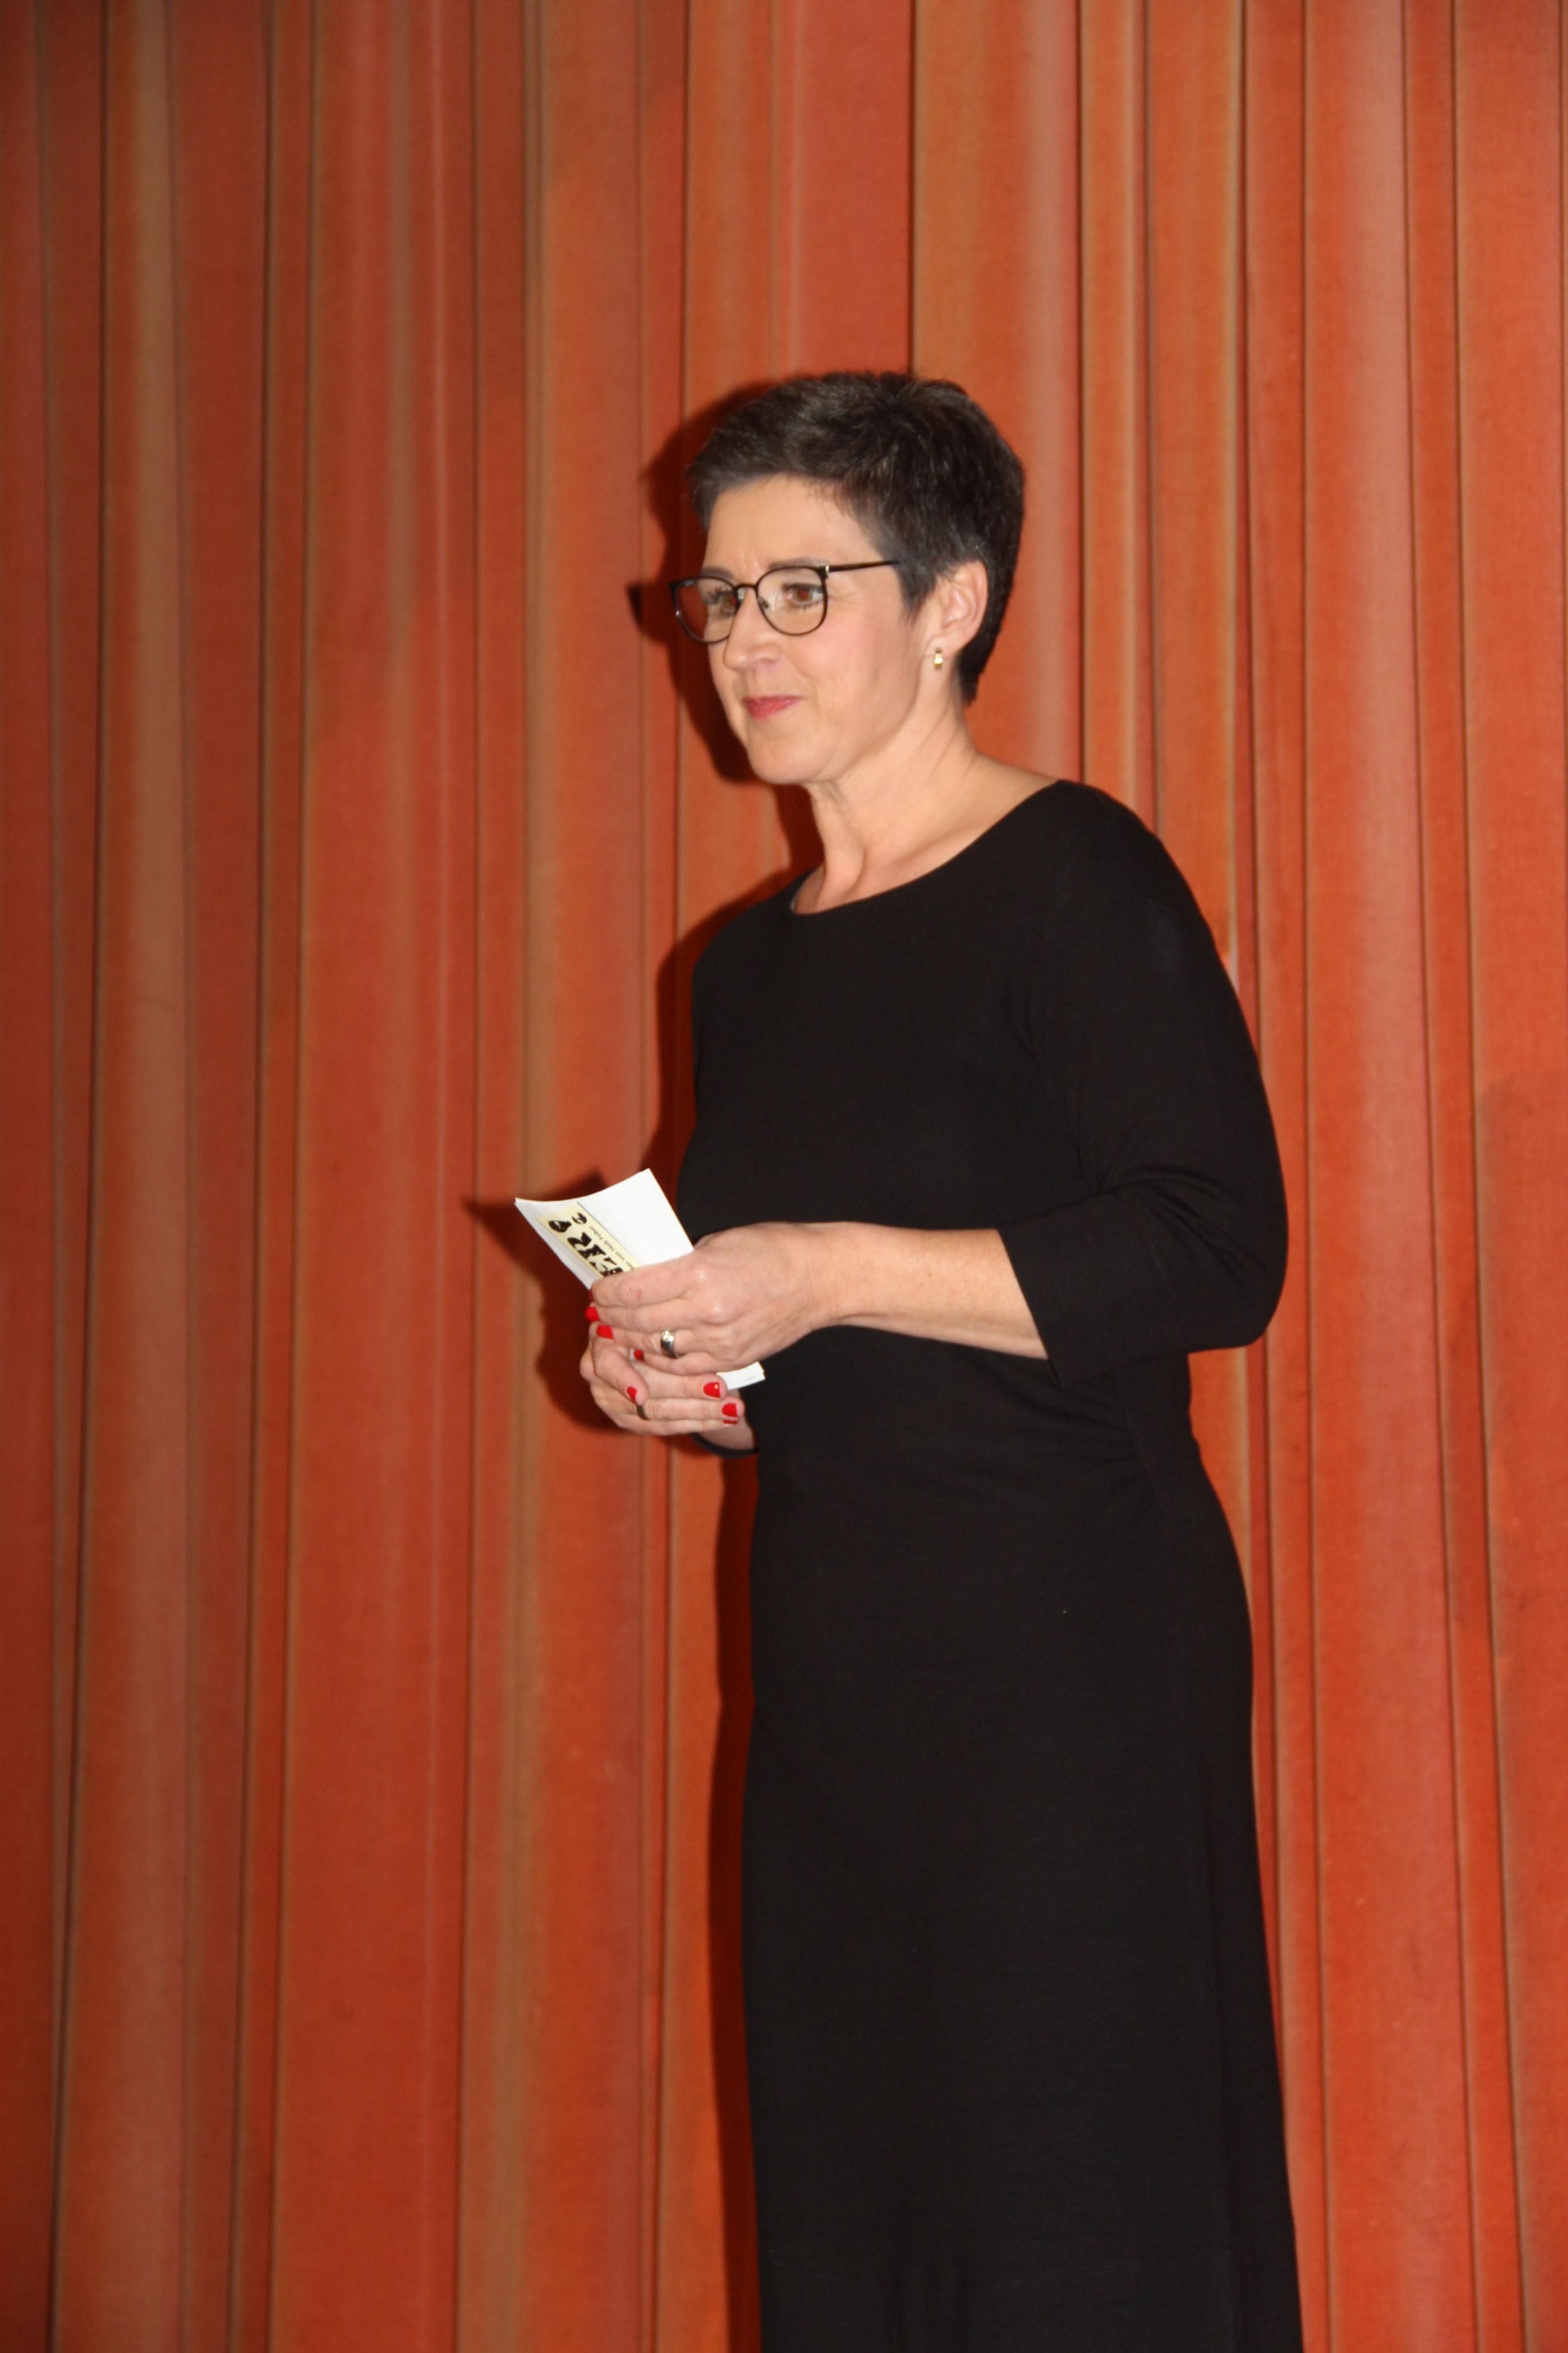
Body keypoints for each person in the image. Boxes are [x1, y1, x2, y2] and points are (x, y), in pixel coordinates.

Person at [580, 371, 1304, 2352]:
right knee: (861, 2197)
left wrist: (821, 1268)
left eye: (798, 591)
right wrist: (696, 1380)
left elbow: (1215, 1250)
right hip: (835, 1664)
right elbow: (832, 1342)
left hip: (1065, 1659)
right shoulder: (744, 966)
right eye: (716, 598)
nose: (741, 642)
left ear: (951, 602)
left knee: (1069, 2204)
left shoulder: (1072, 872)